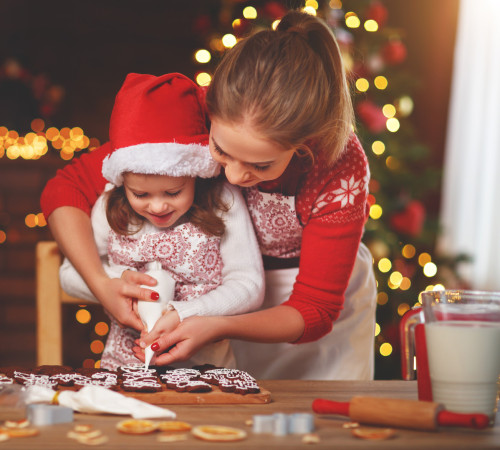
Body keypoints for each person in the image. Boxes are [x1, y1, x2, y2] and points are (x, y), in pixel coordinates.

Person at [41, 10, 377, 380]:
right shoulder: (188, 113)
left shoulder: (340, 166)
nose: (232, 175)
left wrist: (216, 323)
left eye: (260, 166)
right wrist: (102, 284)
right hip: (214, 304)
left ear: (302, 146)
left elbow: (314, 309)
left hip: (301, 328)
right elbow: (65, 188)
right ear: (210, 111)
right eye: (221, 150)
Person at [56, 73, 264, 370]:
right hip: (123, 372)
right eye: (139, 193)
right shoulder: (109, 206)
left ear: (195, 173)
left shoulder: (222, 201)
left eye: (173, 192)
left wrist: (185, 311)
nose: (157, 205)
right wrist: (113, 282)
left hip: (206, 371)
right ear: (121, 181)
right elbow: (67, 274)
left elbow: (249, 284)